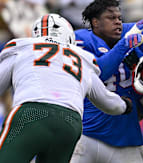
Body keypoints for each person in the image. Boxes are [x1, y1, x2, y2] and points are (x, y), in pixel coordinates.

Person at [0, 13, 133, 163]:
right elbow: (108, 103)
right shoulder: (82, 58)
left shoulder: (23, 47)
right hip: (70, 122)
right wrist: (125, 105)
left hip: (31, 113)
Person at [70, 0, 143, 163]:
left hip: (126, 138)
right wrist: (124, 45)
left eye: (119, 18)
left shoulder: (132, 35)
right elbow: (100, 72)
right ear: (95, 22)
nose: (117, 22)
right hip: (88, 135)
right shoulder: (81, 39)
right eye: (111, 18)